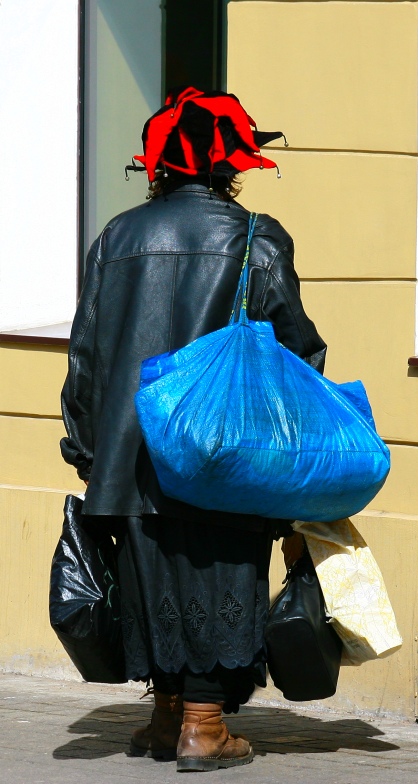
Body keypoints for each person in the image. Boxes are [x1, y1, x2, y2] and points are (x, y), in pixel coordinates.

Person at [60, 86, 324, 772]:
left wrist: (86, 443)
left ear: (158, 168)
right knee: (220, 576)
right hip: (222, 451)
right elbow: (296, 348)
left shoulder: (117, 236)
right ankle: (204, 727)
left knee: (148, 574)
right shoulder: (254, 237)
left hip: (128, 449)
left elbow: (86, 351)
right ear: (230, 164)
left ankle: (163, 715)